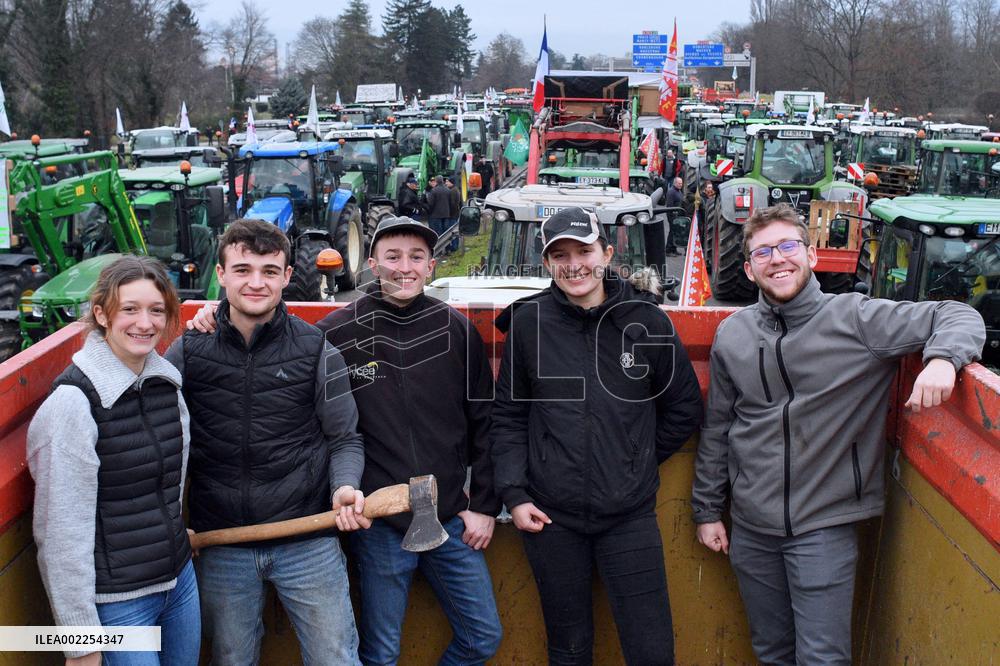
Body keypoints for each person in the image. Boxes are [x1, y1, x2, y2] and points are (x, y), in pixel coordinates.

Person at [692, 203, 985, 666]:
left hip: (822, 527)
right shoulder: (734, 335)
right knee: (771, 651)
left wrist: (944, 360)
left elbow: (956, 314)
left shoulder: (857, 320)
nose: (777, 259)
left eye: (788, 246)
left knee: (822, 658)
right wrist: (708, 510)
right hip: (750, 526)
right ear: (748, 269)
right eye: (763, 252)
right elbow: (720, 429)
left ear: (812, 256)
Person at [491, 207, 704, 665]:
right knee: (568, 650)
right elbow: (508, 415)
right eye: (560, 254)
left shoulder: (645, 322)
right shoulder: (529, 324)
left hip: (628, 515)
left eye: (584, 251)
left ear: (606, 254)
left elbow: (684, 407)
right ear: (547, 264)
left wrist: (635, 459)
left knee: (651, 652)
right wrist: (514, 493)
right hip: (551, 518)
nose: (574, 265)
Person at [168, 218, 367, 666]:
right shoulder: (187, 351)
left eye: (269, 271)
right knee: (231, 659)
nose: (256, 283)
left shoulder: (316, 350)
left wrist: (344, 486)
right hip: (222, 544)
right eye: (242, 270)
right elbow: (162, 442)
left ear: (287, 276)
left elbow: (344, 438)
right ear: (220, 274)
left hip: (308, 540)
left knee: (334, 657)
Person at [319, 216, 502, 664]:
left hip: (450, 518)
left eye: (416, 257)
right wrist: (214, 314)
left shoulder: (456, 331)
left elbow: (485, 422)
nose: (405, 267)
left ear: (432, 266)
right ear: (373, 265)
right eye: (393, 257)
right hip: (381, 521)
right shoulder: (336, 333)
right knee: (380, 654)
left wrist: (483, 505)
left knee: (482, 638)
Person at [27, 255, 200, 666]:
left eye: (157, 310)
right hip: (119, 603)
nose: (145, 323)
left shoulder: (166, 386)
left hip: (179, 584)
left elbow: (170, 487)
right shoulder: (72, 405)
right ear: (102, 314)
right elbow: (60, 535)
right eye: (130, 309)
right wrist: (80, 640)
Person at [426, 175, 453, 251]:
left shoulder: (434, 190)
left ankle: (439, 249)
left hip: (436, 215)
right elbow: (451, 203)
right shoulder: (448, 190)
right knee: (446, 232)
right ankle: (448, 248)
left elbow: (430, 203)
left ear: (437, 181)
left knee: (438, 233)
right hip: (446, 214)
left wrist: (429, 212)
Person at [446, 175, 462, 252]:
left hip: (452, 215)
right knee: (455, 230)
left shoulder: (452, 191)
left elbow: (452, 204)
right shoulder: (456, 189)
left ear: (451, 182)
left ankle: (454, 247)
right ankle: (456, 246)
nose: (446, 183)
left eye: (447, 181)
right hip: (455, 214)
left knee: (453, 231)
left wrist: (449, 214)